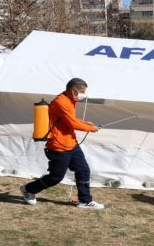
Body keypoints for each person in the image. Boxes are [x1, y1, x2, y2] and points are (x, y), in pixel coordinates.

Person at [20, 78, 104, 209]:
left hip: (71, 143)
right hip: (58, 146)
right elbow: (72, 123)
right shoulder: (61, 102)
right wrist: (90, 128)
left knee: (83, 170)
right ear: (73, 90)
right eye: (81, 92)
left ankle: (85, 201)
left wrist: (86, 123)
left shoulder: (70, 100)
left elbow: (69, 119)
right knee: (55, 178)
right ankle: (28, 189)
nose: (83, 95)